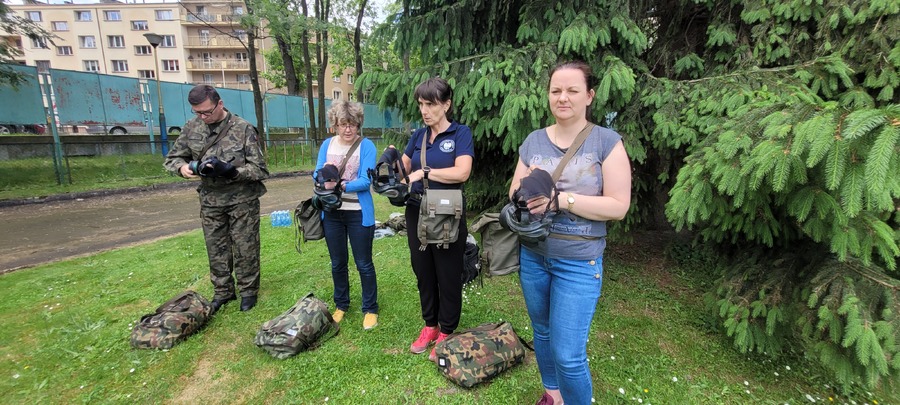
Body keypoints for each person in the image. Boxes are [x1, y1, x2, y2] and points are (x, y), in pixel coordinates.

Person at [508, 61, 631, 405]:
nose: (563, 97)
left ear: (589, 96)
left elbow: (619, 206)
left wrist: (563, 200)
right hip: (534, 256)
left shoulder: (606, 142)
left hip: (579, 262)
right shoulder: (534, 141)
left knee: (569, 355)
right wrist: (527, 186)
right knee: (543, 333)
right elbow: (513, 190)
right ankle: (553, 395)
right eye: (556, 90)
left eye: (572, 90)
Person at [163, 84, 269, 313]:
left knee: (245, 247)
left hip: (242, 200)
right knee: (216, 248)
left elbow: (260, 169)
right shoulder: (191, 128)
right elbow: (172, 158)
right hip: (210, 201)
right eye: (198, 112)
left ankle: (248, 291)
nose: (203, 117)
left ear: (220, 104)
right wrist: (182, 168)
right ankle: (223, 292)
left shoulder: (243, 129)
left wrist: (232, 172)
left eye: (207, 112)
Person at [398, 77, 475, 361]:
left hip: (446, 211)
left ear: (446, 104)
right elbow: (404, 169)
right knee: (423, 271)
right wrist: (390, 162)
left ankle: (447, 330)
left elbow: (462, 172)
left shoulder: (460, 134)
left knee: (448, 273)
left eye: (430, 104)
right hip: (417, 209)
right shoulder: (418, 136)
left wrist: (426, 173)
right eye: (421, 104)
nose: (424, 110)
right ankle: (430, 325)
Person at [313, 100, 379, 330]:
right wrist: (323, 176)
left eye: (352, 124)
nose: (348, 129)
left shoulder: (367, 146)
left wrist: (339, 185)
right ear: (335, 125)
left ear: (358, 124)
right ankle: (341, 304)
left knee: (363, 263)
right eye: (343, 124)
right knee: (338, 262)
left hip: (358, 213)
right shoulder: (327, 145)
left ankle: (370, 308)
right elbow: (316, 172)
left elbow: (365, 180)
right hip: (332, 214)